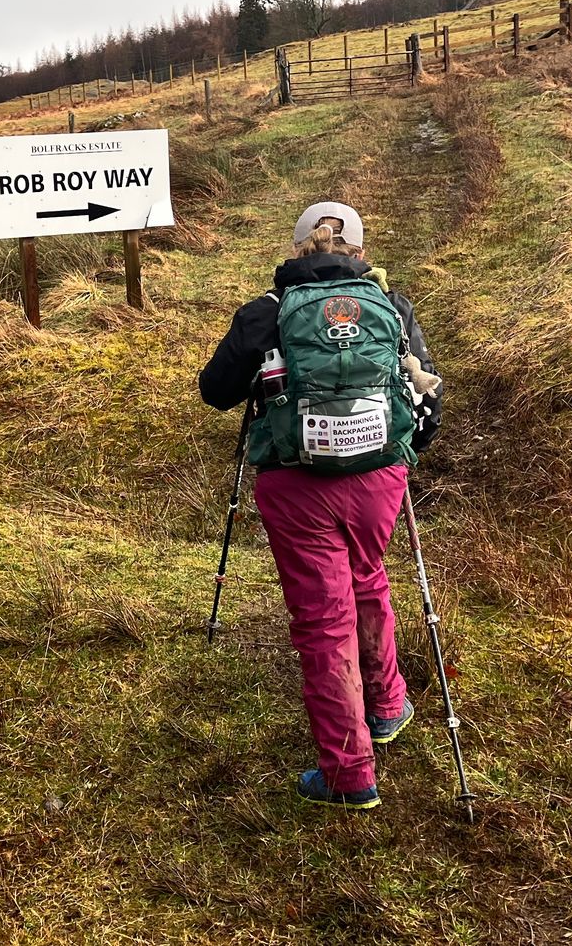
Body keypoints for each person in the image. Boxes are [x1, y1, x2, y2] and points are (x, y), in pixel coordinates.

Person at [198, 201, 442, 810]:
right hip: (378, 480)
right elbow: (426, 400)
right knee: (368, 578)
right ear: (358, 252)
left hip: (296, 486)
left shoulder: (268, 313)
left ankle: (348, 774)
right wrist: (397, 455)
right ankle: (387, 706)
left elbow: (215, 392)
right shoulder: (392, 309)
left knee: (322, 622)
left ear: (298, 245)